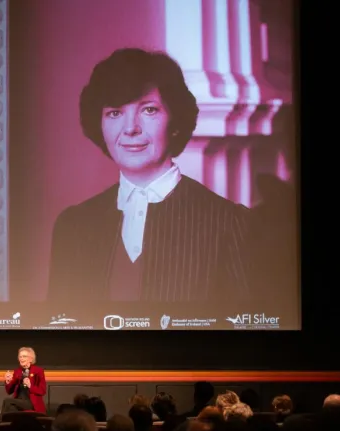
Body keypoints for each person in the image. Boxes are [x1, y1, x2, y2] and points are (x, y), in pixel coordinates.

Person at [47, 48, 250, 303]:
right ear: (99, 125)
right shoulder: (73, 226)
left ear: (175, 122)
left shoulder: (230, 224)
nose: (130, 128)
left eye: (149, 110)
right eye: (115, 113)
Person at [1, 347, 46, 413]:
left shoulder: (38, 371)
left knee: (7, 401)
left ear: (31, 359)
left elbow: (42, 391)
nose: (21, 358)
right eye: (20, 357)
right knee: (11, 408)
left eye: (24, 356)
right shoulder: (17, 371)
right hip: (19, 401)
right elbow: (9, 391)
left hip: (31, 402)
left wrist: (30, 386)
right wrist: (8, 381)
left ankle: (0, 422)